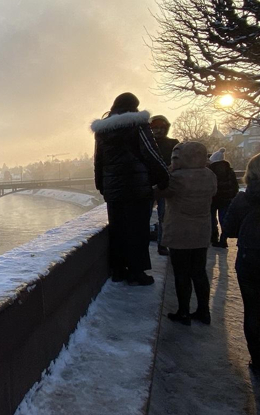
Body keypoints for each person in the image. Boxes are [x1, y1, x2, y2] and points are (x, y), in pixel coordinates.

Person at [92, 92, 170, 286]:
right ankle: (137, 272)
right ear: (134, 106)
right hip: (137, 187)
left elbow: (98, 160)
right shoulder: (138, 124)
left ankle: (118, 270)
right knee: (138, 230)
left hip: (113, 189)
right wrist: (163, 178)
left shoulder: (103, 130)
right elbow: (150, 152)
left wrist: (101, 185)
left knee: (118, 230)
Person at [222, 152, 260, 377]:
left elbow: (228, 230)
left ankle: (258, 363)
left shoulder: (243, 199)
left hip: (250, 261)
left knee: (253, 312)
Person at [158, 141, 217, 325]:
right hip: (201, 232)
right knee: (199, 272)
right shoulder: (210, 176)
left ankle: (183, 312)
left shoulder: (176, 179)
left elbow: (159, 191)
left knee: (181, 274)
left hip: (180, 233)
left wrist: (170, 170)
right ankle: (203, 311)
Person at [150, 115, 180, 256]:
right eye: (155, 128)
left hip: (165, 186)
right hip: (150, 185)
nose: (159, 131)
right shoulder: (146, 144)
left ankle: (162, 244)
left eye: (162, 128)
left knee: (165, 217)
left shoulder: (173, 143)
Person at [208, 148, 239, 248]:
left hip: (213, 199)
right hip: (226, 199)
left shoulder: (210, 170)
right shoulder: (229, 170)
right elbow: (235, 185)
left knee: (212, 219)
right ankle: (223, 239)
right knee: (223, 219)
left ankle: (213, 237)